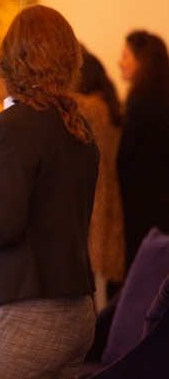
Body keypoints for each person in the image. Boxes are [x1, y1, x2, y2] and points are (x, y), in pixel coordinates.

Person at [0, 5, 98, 378]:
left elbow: (0, 227)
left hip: (30, 312)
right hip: (77, 310)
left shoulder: (14, 124)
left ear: (11, 59)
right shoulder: (77, 126)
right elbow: (47, 209)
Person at [75, 47, 126, 308]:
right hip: (108, 190)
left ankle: (91, 331)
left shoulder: (87, 106)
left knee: (86, 274)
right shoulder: (110, 105)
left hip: (91, 191)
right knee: (95, 275)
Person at [116, 30, 169, 272]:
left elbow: (124, 157)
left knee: (141, 272)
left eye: (126, 55)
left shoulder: (140, 101)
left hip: (141, 206)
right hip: (162, 203)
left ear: (142, 61)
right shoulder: (162, 98)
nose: (120, 62)